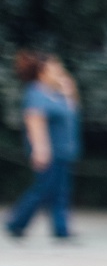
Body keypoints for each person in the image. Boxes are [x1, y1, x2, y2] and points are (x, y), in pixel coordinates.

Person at [6, 49, 80, 240]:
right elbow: (34, 121)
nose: (59, 70)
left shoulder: (57, 94)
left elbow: (72, 113)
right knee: (44, 189)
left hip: (63, 150)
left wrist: (69, 91)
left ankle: (61, 229)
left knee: (60, 191)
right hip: (49, 151)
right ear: (42, 71)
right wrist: (40, 149)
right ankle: (16, 223)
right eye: (54, 67)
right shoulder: (36, 93)